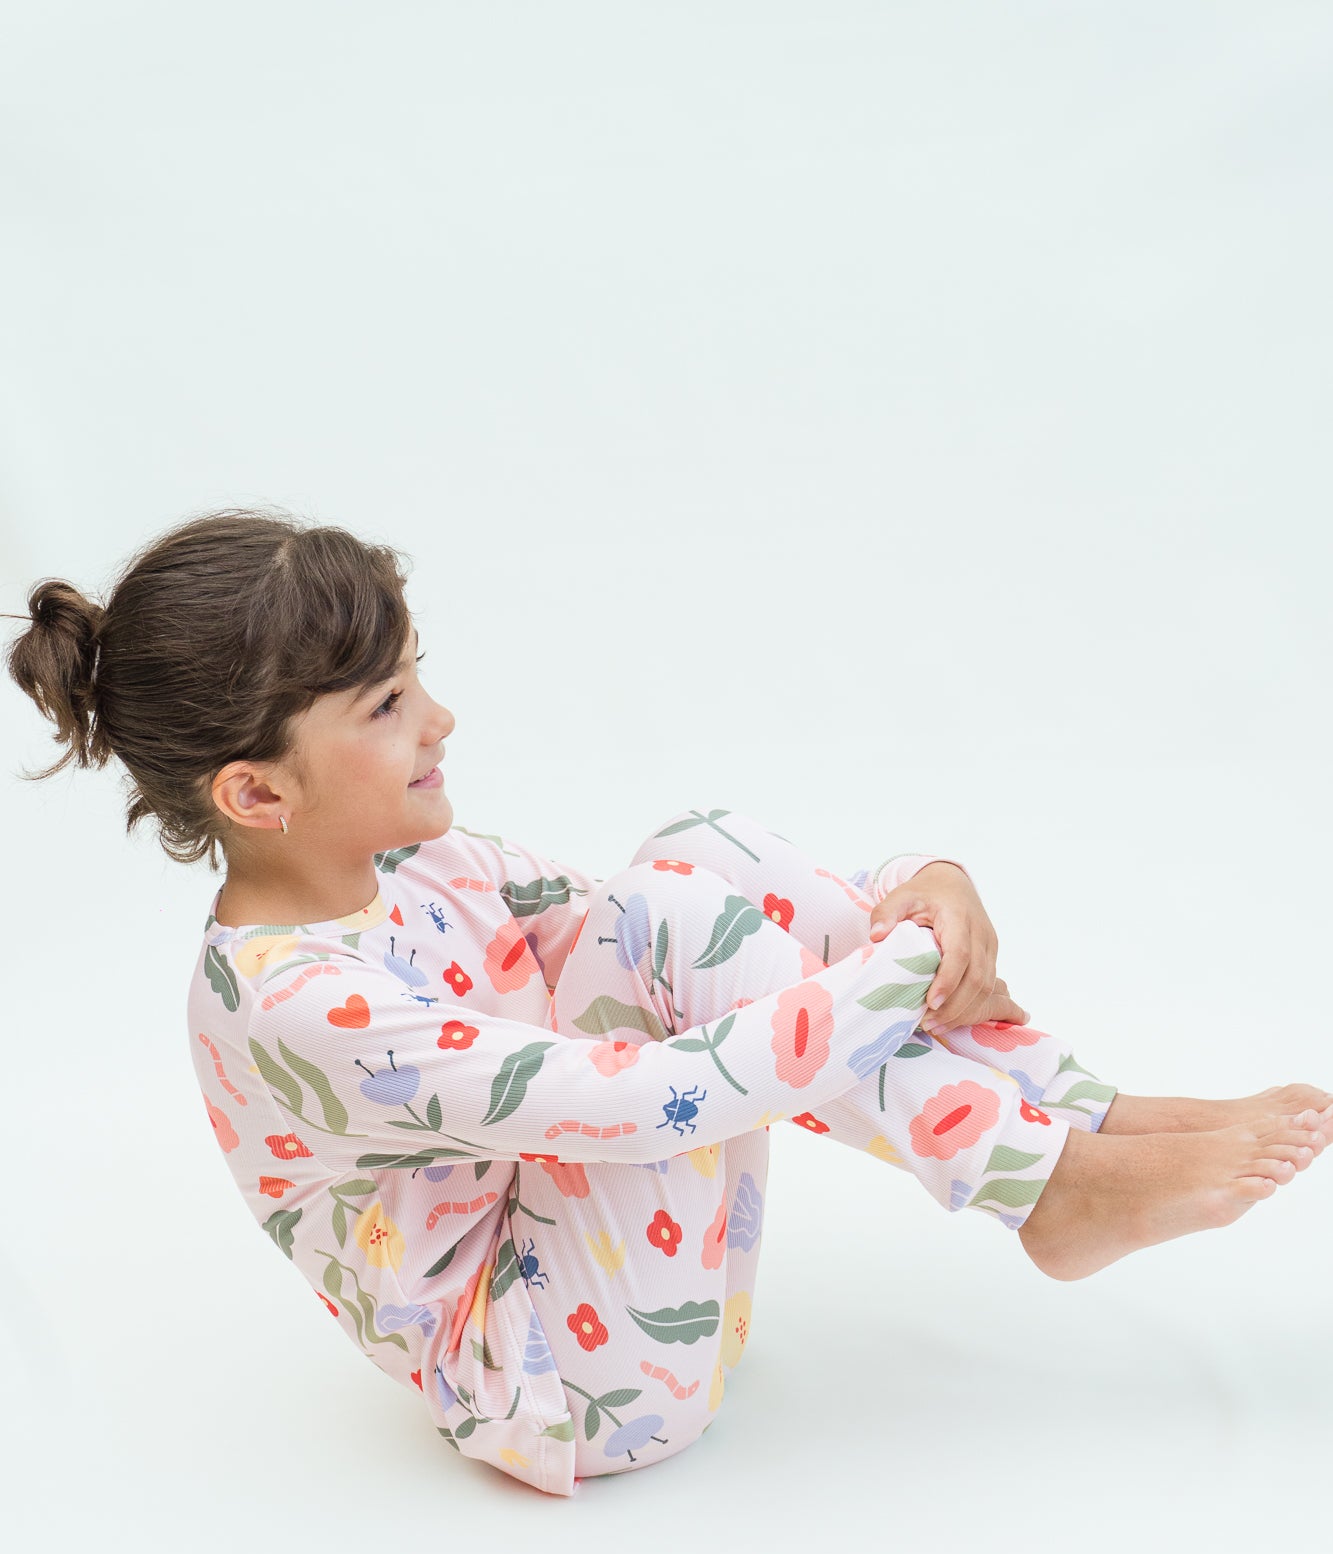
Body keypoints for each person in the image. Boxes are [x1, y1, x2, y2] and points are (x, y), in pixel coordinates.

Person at [7, 505, 1330, 1499]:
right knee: (674, 927)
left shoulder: (418, 867)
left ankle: (1073, 1124)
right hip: (571, 1381)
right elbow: (643, 1096)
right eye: (391, 703)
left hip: (621, 1272)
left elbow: (684, 932)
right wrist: (896, 970)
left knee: (688, 862)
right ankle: (1048, 1184)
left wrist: (911, 890)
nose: (442, 720)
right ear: (257, 793)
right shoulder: (293, 1004)